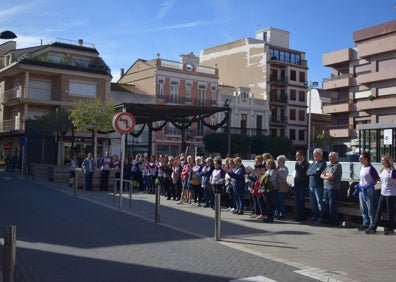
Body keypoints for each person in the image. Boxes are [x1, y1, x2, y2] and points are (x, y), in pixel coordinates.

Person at [366, 154, 396, 235]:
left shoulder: (393, 170)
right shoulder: (383, 169)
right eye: (382, 160)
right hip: (383, 193)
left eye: (384, 160)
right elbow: (380, 179)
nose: (383, 162)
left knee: (391, 212)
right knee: (378, 210)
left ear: (389, 161)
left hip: (391, 194)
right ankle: (373, 228)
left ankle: (392, 229)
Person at [354, 151, 380, 231]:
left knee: (370, 208)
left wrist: (370, 185)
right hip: (361, 190)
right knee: (363, 208)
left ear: (366, 159)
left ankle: (372, 225)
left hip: (368, 190)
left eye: (361, 158)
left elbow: (377, 179)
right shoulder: (362, 168)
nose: (360, 160)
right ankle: (366, 223)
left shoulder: (371, 168)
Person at [320, 152, 342, 226]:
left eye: (331, 157)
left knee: (332, 205)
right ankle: (329, 220)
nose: (329, 158)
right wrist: (327, 176)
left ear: (336, 158)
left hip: (333, 188)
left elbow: (332, 176)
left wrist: (326, 175)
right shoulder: (329, 165)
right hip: (325, 188)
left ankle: (334, 221)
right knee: (326, 205)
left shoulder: (338, 165)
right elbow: (321, 175)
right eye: (329, 157)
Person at [306, 148, 327, 223]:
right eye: (314, 153)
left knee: (319, 202)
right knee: (313, 202)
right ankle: (315, 216)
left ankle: (321, 217)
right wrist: (313, 171)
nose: (314, 154)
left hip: (319, 186)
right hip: (311, 185)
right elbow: (307, 172)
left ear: (320, 154)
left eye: (316, 153)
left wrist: (312, 171)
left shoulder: (323, 163)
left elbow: (317, 172)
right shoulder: (312, 163)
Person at [293, 150, 309, 221]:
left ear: (302, 156)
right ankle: (298, 215)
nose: (296, 156)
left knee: (301, 200)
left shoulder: (306, 163)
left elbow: (306, 175)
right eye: (296, 155)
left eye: (297, 155)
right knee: (297, 201)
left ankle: (302, 216)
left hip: (303, 185)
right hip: (296, 184)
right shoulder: (296, 163)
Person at [275, 155, 289, 220]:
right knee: (276, 200)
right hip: (276, 186)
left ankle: (282, 213)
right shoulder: (277, 168)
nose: (277, 162)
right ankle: (276, 213)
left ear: (282, 161)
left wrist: (277, 171)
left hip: (282, 186)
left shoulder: (285, 168)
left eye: (278, 161)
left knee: (281, 200)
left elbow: (283, 177)